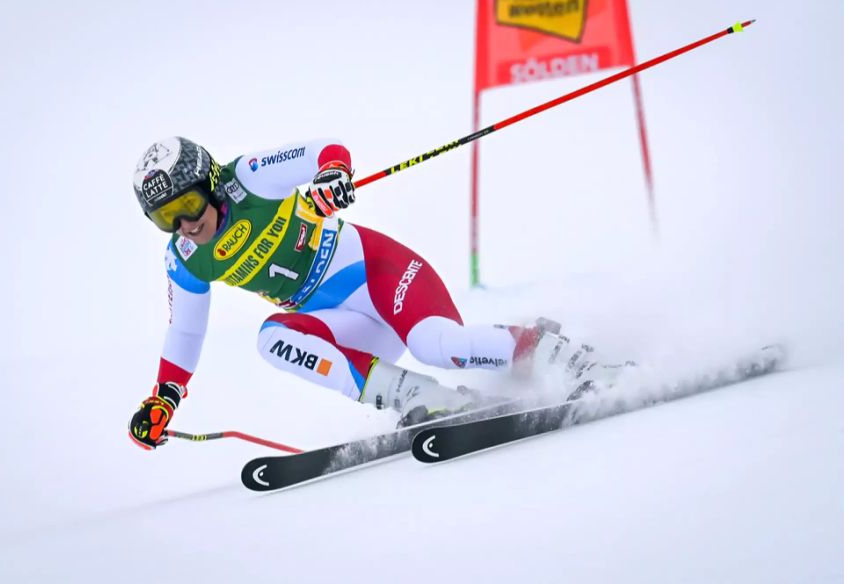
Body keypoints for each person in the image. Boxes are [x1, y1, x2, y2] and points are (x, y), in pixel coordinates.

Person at [127, 137, 613, 450]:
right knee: (271, 339)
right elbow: (186, 329)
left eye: (188, 204)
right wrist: (164, 398)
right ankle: (428, 399)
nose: (187, 224)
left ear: (209, 183)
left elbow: (325, 151)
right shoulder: (186, 257)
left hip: (379, 275)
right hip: (346, 322)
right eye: (167, 218)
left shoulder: (248, 179)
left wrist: (331, 179)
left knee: (437, 346)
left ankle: (564, 355)